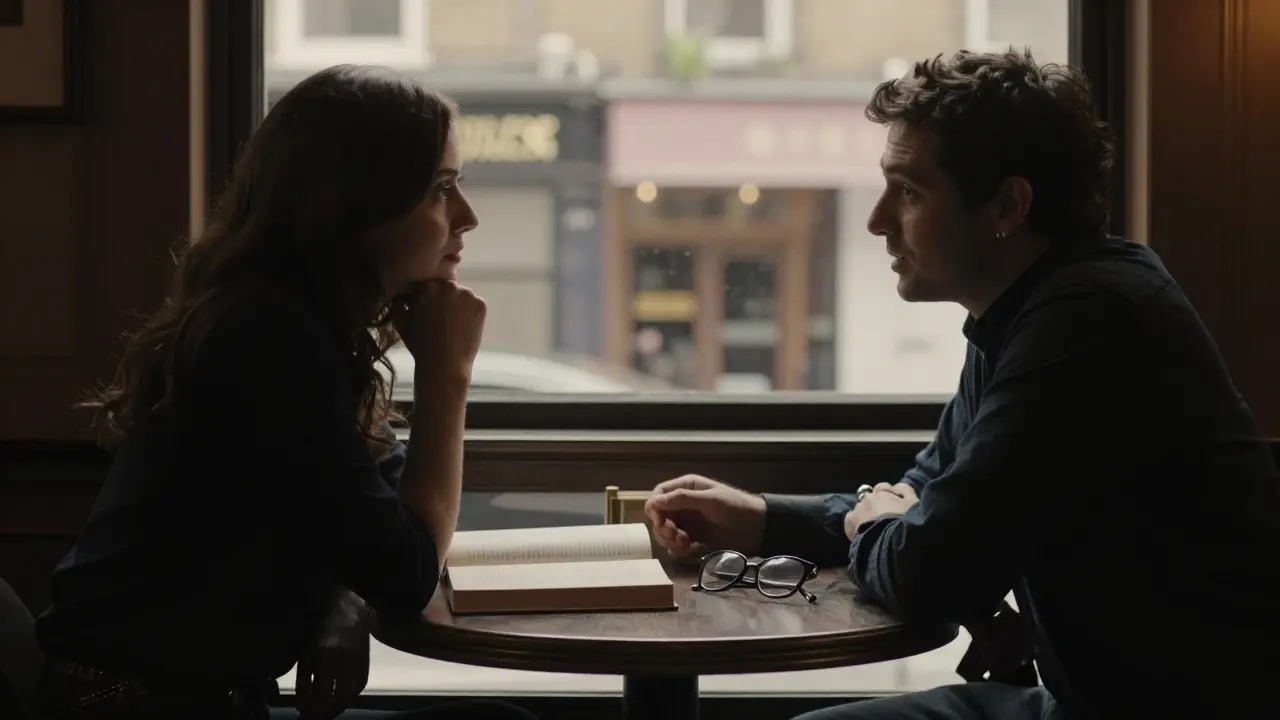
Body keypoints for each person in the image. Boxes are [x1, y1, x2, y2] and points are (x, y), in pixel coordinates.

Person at [644, 49, 1280, 720]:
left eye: (910, 191)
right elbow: (927, 496)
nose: (878, 219)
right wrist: (766, 520)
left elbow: (929, 572)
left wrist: (882, 526)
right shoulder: (1025, 310)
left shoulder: (1089, 320)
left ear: (1007, 204)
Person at [33, 65, 538, 720]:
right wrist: (448, 374)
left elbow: (370, 514)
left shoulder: (291, 323)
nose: (467, 218)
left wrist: (343, 607)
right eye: (441, 189)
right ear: (355, 202)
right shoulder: (268, 340)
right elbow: (409, 573)